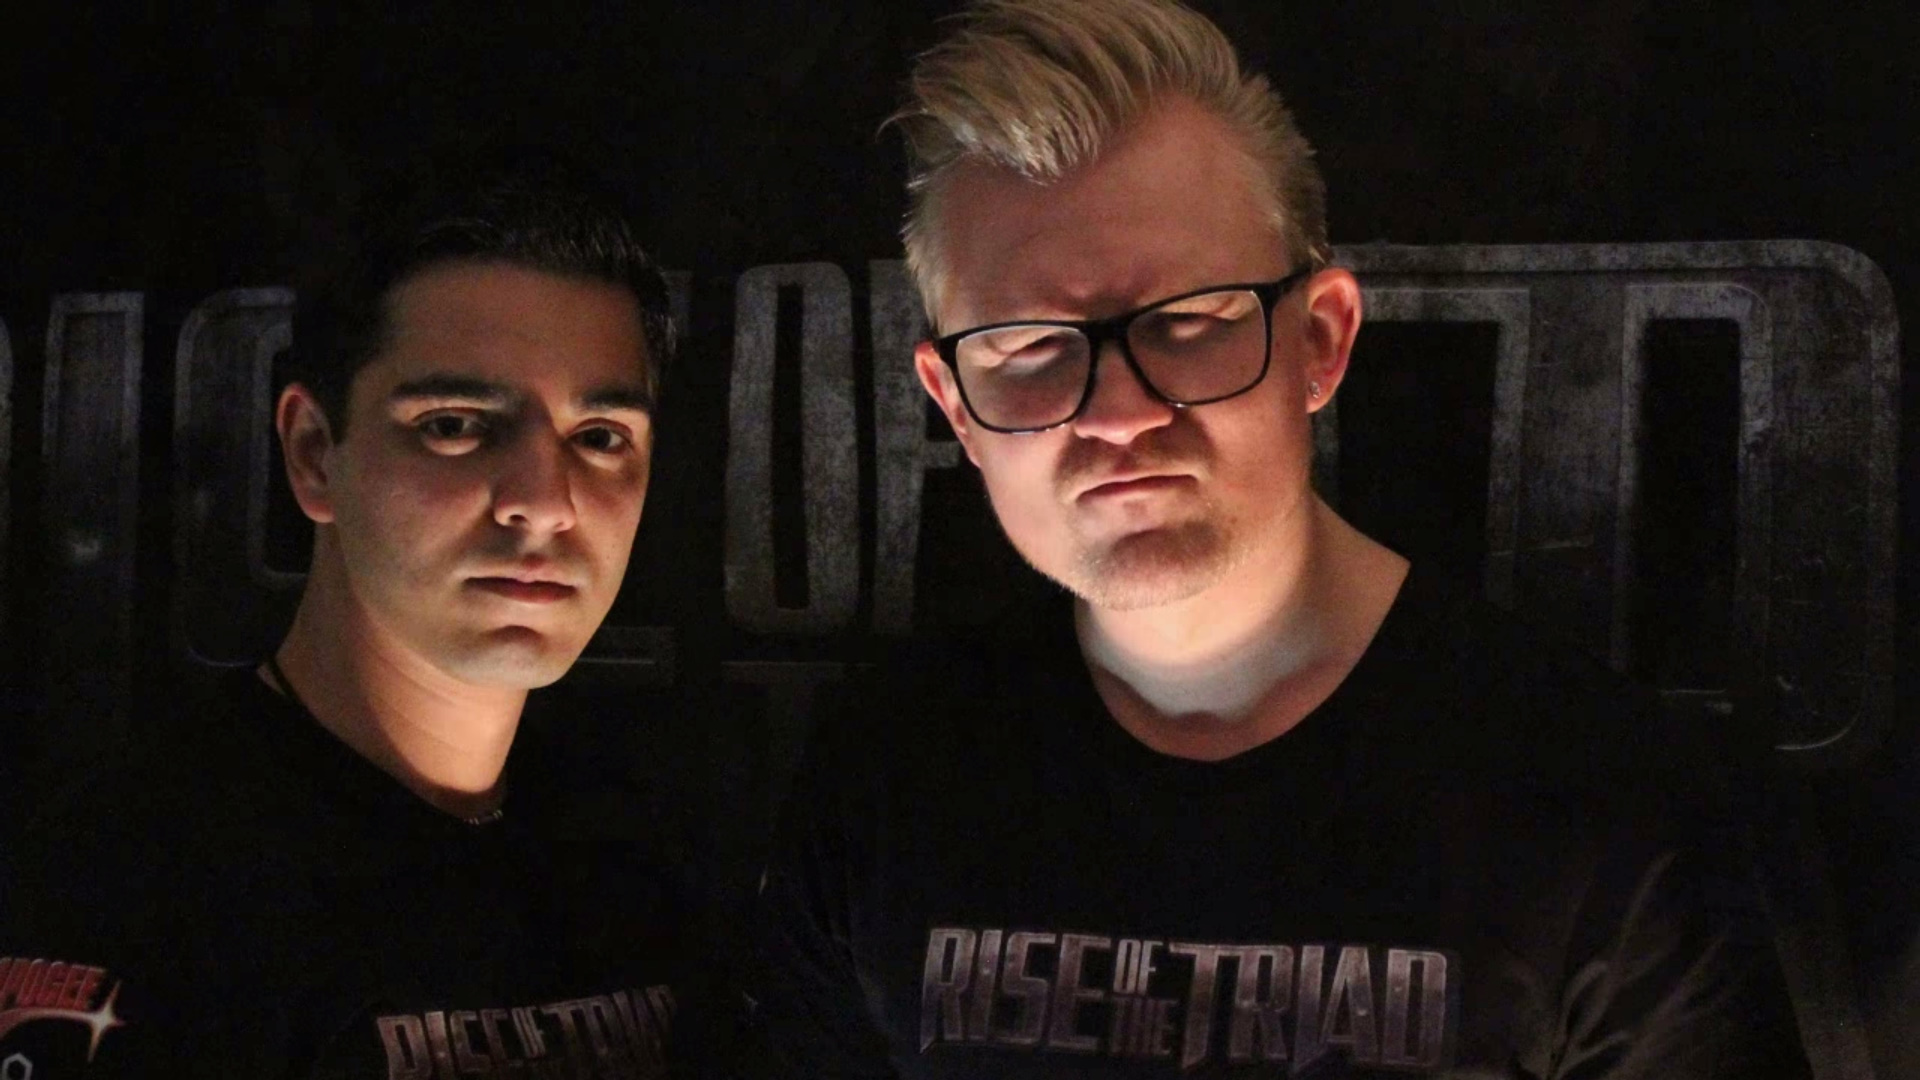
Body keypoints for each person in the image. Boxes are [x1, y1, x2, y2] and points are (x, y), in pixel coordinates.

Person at [752, 1, 1810, 1075]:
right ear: (955, 405)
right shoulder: (884, 778)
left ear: (1321, 339)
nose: (1117, 412)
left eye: (1188, 322)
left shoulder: (1600, 801)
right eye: (1028, 348)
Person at [1, 152, 705, 1078]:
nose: (543, 502)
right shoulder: (131, 886)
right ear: (313, 453)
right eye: (455, 424)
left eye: (601, 436)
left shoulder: (644, 860)